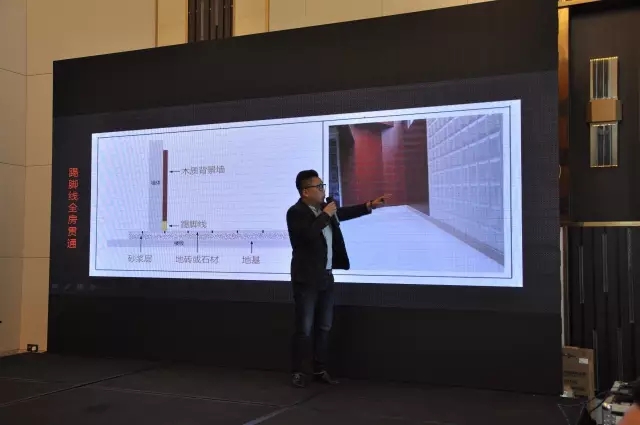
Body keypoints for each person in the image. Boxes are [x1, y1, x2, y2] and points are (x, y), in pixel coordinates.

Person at [285, 169, 389, 388]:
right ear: (305, 192)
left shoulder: (325, 210)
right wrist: (325, 215)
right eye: (319, 187)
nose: (323, 190)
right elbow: (305, 237)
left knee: (324, 326)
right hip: (307, 280)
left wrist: (369, 205)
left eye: (322, 186)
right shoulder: (295, 212)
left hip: (326, 277)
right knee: (304, 328)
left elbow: (343, 213)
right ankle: (299, 372)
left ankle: (319, 369)